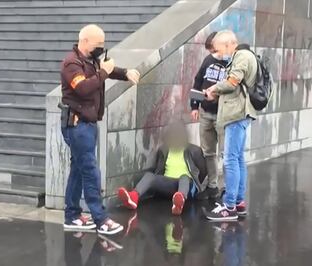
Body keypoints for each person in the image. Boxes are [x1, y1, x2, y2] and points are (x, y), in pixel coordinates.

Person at [60, 24, 140, 234]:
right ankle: (100, 219)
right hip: (77, 125)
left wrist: (125, 73)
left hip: (88, 123)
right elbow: (84, 88)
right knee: (90, 171)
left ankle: (72, 215)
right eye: (98, 44)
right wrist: (104, 72)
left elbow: (107, 71)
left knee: (78, 170)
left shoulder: (91, 60)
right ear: (85, 41)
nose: (101, 48)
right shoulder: (72, 63)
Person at [204, 30, 257, 221]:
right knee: (238, 158)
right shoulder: (243, 55)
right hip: (239, 113)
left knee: (230, 160)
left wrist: (213, 89)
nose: (219, 54)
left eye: (219, 50)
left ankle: (229, 206)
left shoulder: (241, 56)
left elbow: (233, 81)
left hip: (236, 114)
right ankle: (239, 203)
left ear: (228, 44)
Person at [117, 122, 208, 215]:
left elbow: (204, 171)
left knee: (184, 177)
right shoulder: (164, 150)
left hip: (187, 186)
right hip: (169, 185)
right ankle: (133, 197)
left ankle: (180, 202)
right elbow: (159, 170)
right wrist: (156, 183)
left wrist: (197, 187)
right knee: (150, 176)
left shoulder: (194, 150)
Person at [191, 31, 230, 199]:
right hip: (206, 112)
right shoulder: (208, 61)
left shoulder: (232, 63)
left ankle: (229, 188)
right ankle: (212, 185)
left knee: (227, 153)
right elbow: (198, 81)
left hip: (223, 114)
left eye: (215, 49)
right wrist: (194, 105)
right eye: (212, 50)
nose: (213, 53)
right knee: (208, 152)